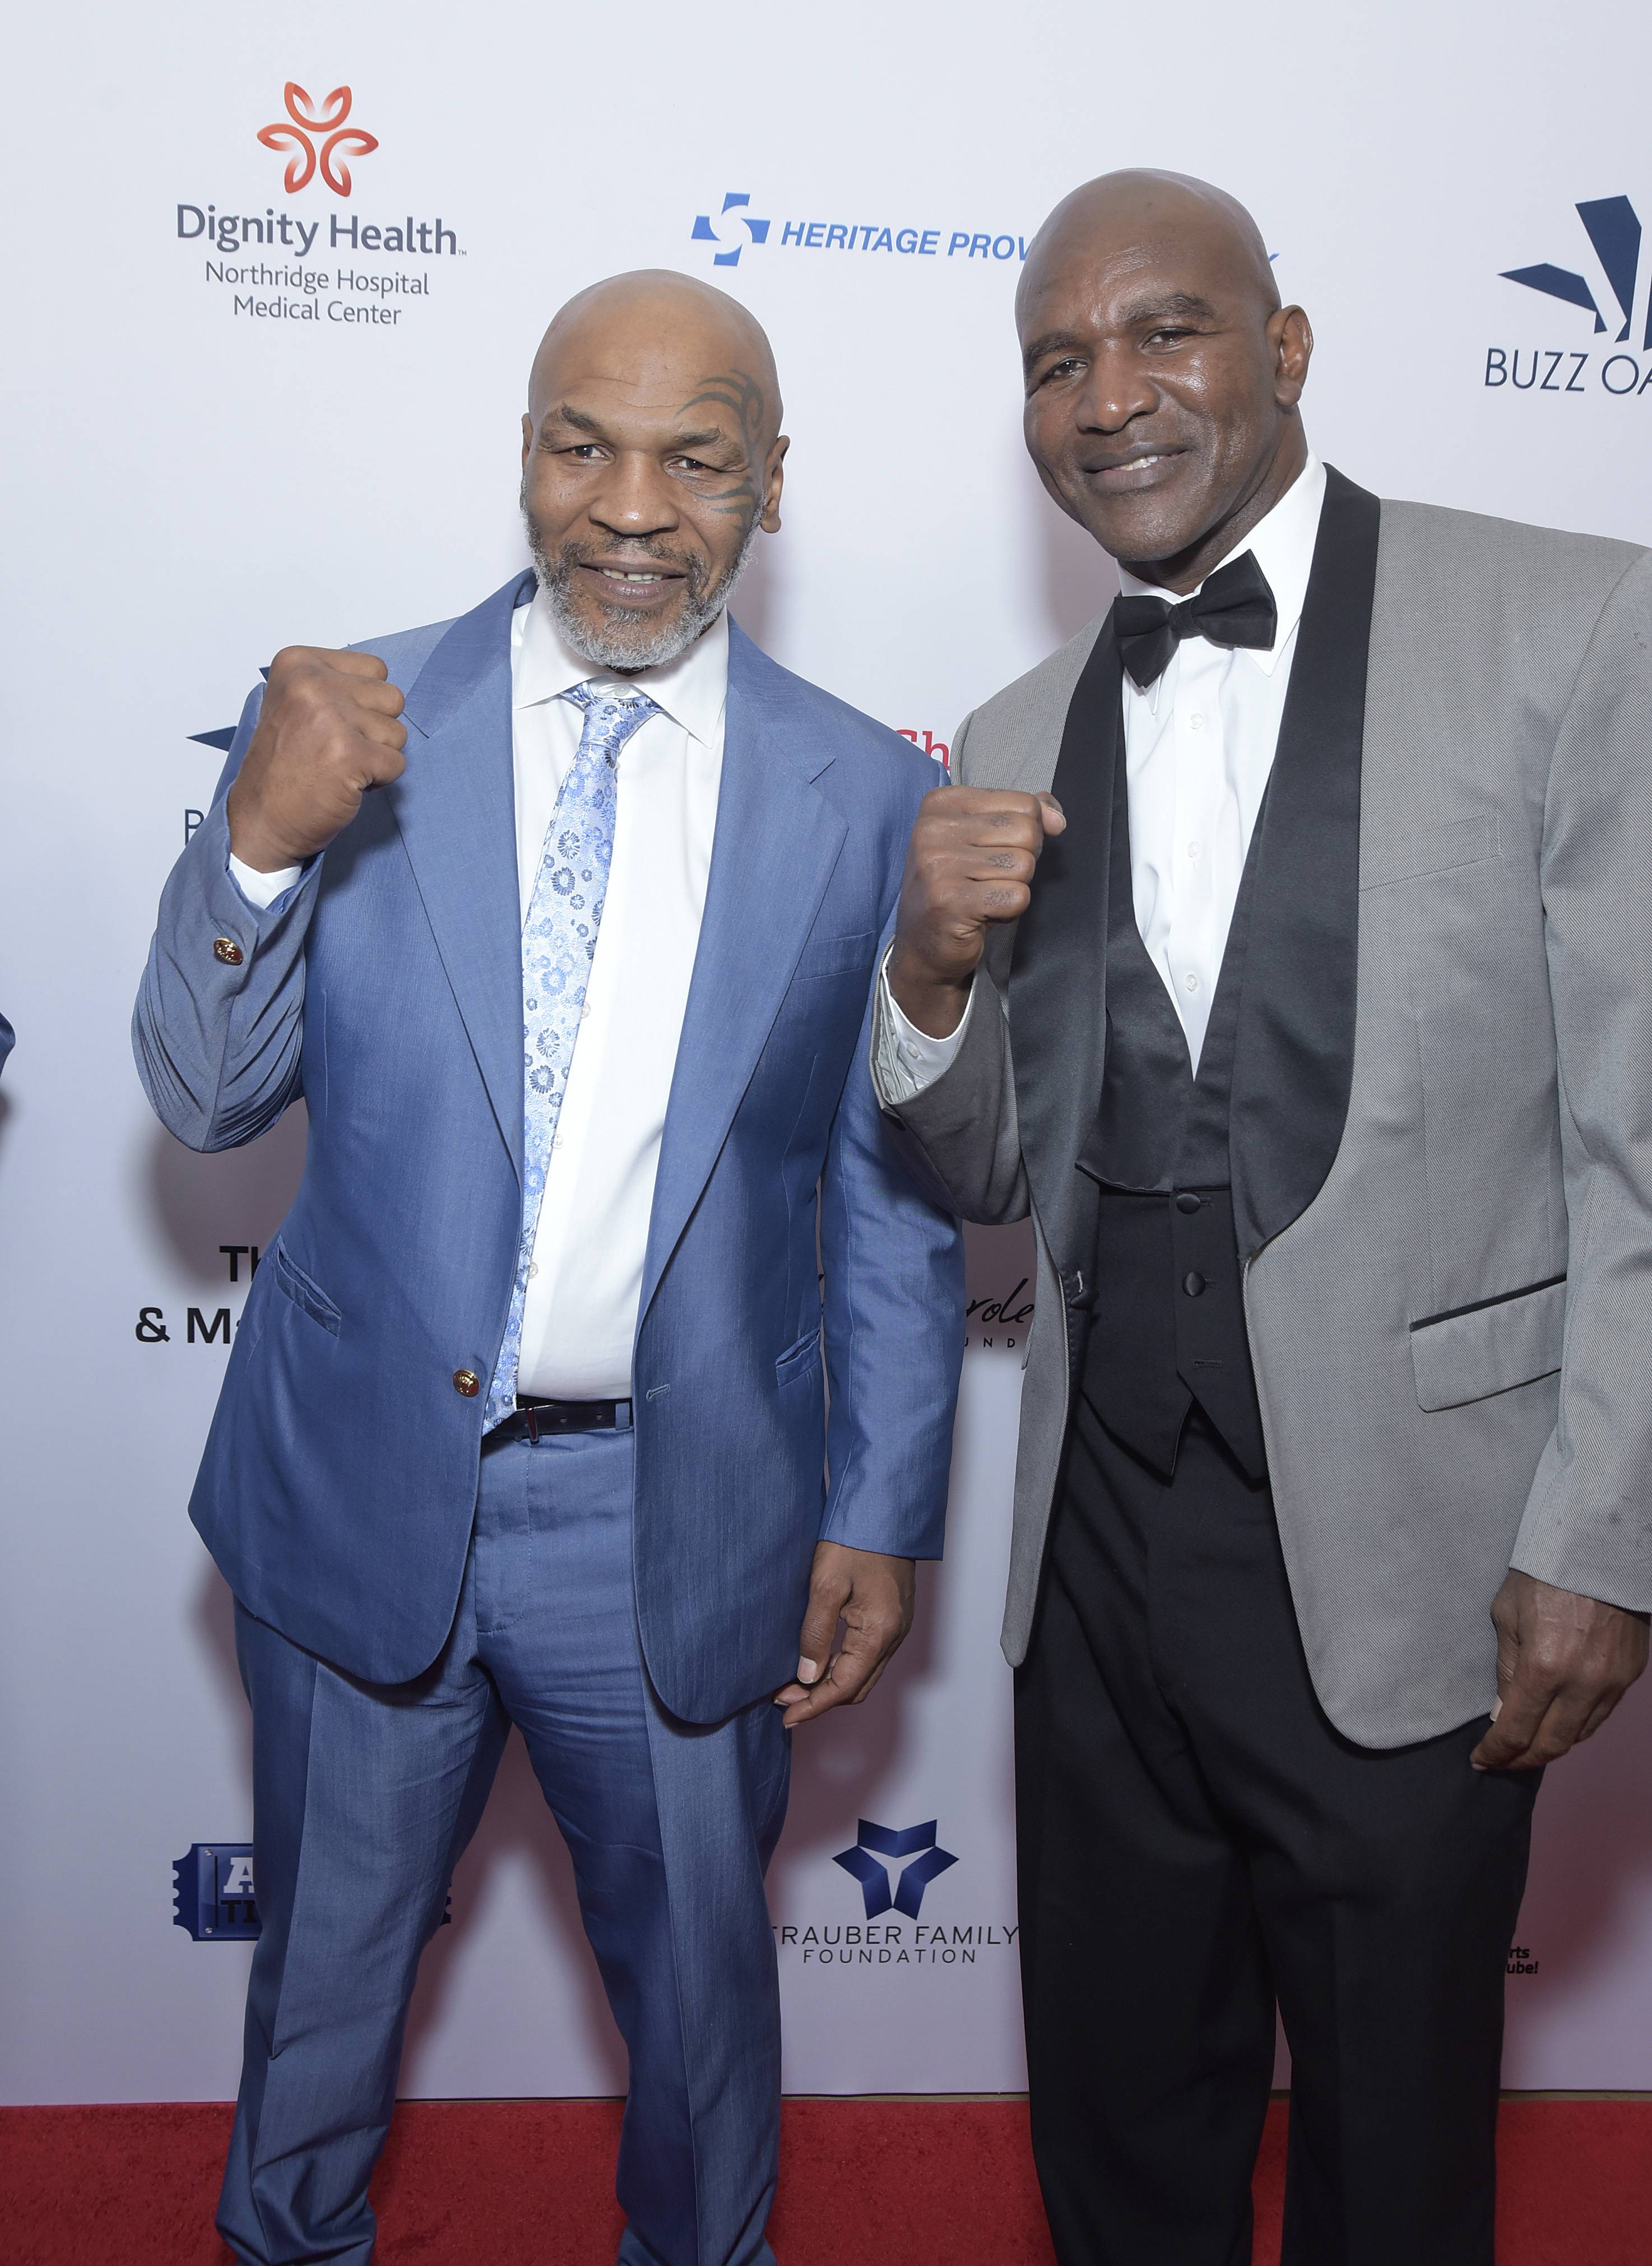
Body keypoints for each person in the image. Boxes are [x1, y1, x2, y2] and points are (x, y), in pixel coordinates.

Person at [134, 270, 961, 2266]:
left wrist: (882, 1501)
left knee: (696, 2026)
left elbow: (885, 1193)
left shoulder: (866, 793)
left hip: (673, 1519)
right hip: (356, 1488)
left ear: (771, 481)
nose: (628, 506)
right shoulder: (353, 719)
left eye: (693, 456)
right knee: (316, 1999)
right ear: (523, 450)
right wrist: (252, 841)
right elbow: (203, 1098)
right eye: (582, 443)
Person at [875, 169, 1652, 2264]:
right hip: (1098, 1561)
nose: (1108, 396)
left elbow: (1640, 1144)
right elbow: (989, 1179)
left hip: (1417, 1559)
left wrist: (1598, 1536)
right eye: (1056, 361)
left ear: (1283, 348)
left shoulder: (1571, 624)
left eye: (1165, 332)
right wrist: (928, 981)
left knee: (1396, 2160)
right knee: (1120, 2133)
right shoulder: (1026, 729)